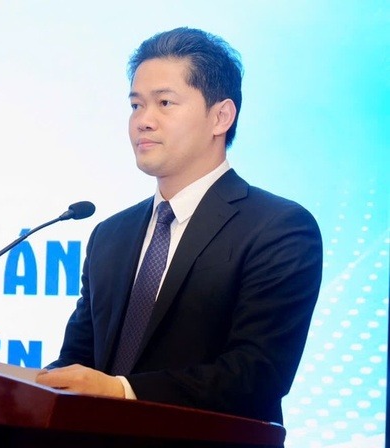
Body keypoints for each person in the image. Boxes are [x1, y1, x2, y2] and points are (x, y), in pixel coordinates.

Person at [35, 27, 323, 425]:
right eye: (136, 105)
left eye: (164, 103)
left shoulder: (278, 229)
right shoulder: (110, 235)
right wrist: (33, 386)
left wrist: (122, 392)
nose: (143, 121)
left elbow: (256, 374)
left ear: (221, 116)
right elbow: (79, 359)